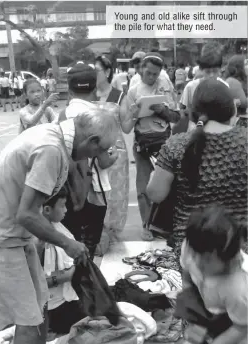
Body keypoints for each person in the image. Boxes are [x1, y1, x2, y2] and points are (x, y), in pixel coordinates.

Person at [0, 107, 119, 344]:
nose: (97, 158)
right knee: (27, 322)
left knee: (40, 305)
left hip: (18, 235)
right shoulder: (51, 149)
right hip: (1, 238)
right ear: (91, 141)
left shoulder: (58, 139)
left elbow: (39, 208)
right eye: (100, 151)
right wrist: (67, 243)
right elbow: (27, 214)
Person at [147, 79, 247, 265]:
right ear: (231, 109)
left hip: (191, 248)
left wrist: (155, 175)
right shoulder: (245, 141)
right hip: (240, 247)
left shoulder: (177, 145)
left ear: (194, 112)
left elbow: (156, 194)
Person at [180, 206, 247, 344]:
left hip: (239, 333)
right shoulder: (195, 247)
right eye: (195, 254)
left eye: (207, 259)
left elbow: (241, 327)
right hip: (212, 313)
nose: (197, 262)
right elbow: (187, 272)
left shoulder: (237, 288)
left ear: (228, 258)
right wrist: (193, 313)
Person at [61, 62, 119, 258]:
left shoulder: (62, 115)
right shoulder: (97, 117)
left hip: (66, 192)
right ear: (95, 88)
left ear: (69, 90)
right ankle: (85, 282)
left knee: (69, 245)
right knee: (88, 246)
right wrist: (115, 155)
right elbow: (103, 161)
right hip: (93, 191)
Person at [125, 52, 180, 241]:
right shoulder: (133, 91)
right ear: (140, 69)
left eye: (155, 74)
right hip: (143, 143)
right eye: (148, 73)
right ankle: (146, 225)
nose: (151, 77)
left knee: (167, 186)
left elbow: (177, 117)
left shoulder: (165, 89)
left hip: (164, 143)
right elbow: (126, 124)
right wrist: (135, 113)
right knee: (143, 189)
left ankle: (164, 225)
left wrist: (162, 110)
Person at [95, 55, 135, 246]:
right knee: (97, 193)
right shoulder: (89, 96)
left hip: (116, 154)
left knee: (117, 194)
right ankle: (97, 233)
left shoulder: (119, 96)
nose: (94, 75)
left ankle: (113, 233)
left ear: (108, 72)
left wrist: (135, 114)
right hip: (93, 153)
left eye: (97, 71)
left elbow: (126, 128)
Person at [40, 189, 85, 335]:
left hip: (65, 299)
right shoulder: (36, 240)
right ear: (47, 209)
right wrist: (66, 276)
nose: (66, 210)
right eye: (62, 205)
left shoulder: (55, 226)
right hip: (53, 309)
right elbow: (28, 281)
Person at [180, 42, 228, 131]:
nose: (211, 75)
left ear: (221, 70)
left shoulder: (224, 86)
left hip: (217, 131)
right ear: (201, 70)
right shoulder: (190, 87)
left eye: (215, 71)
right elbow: (182, 108)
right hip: (194, 130)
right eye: (208, 72)